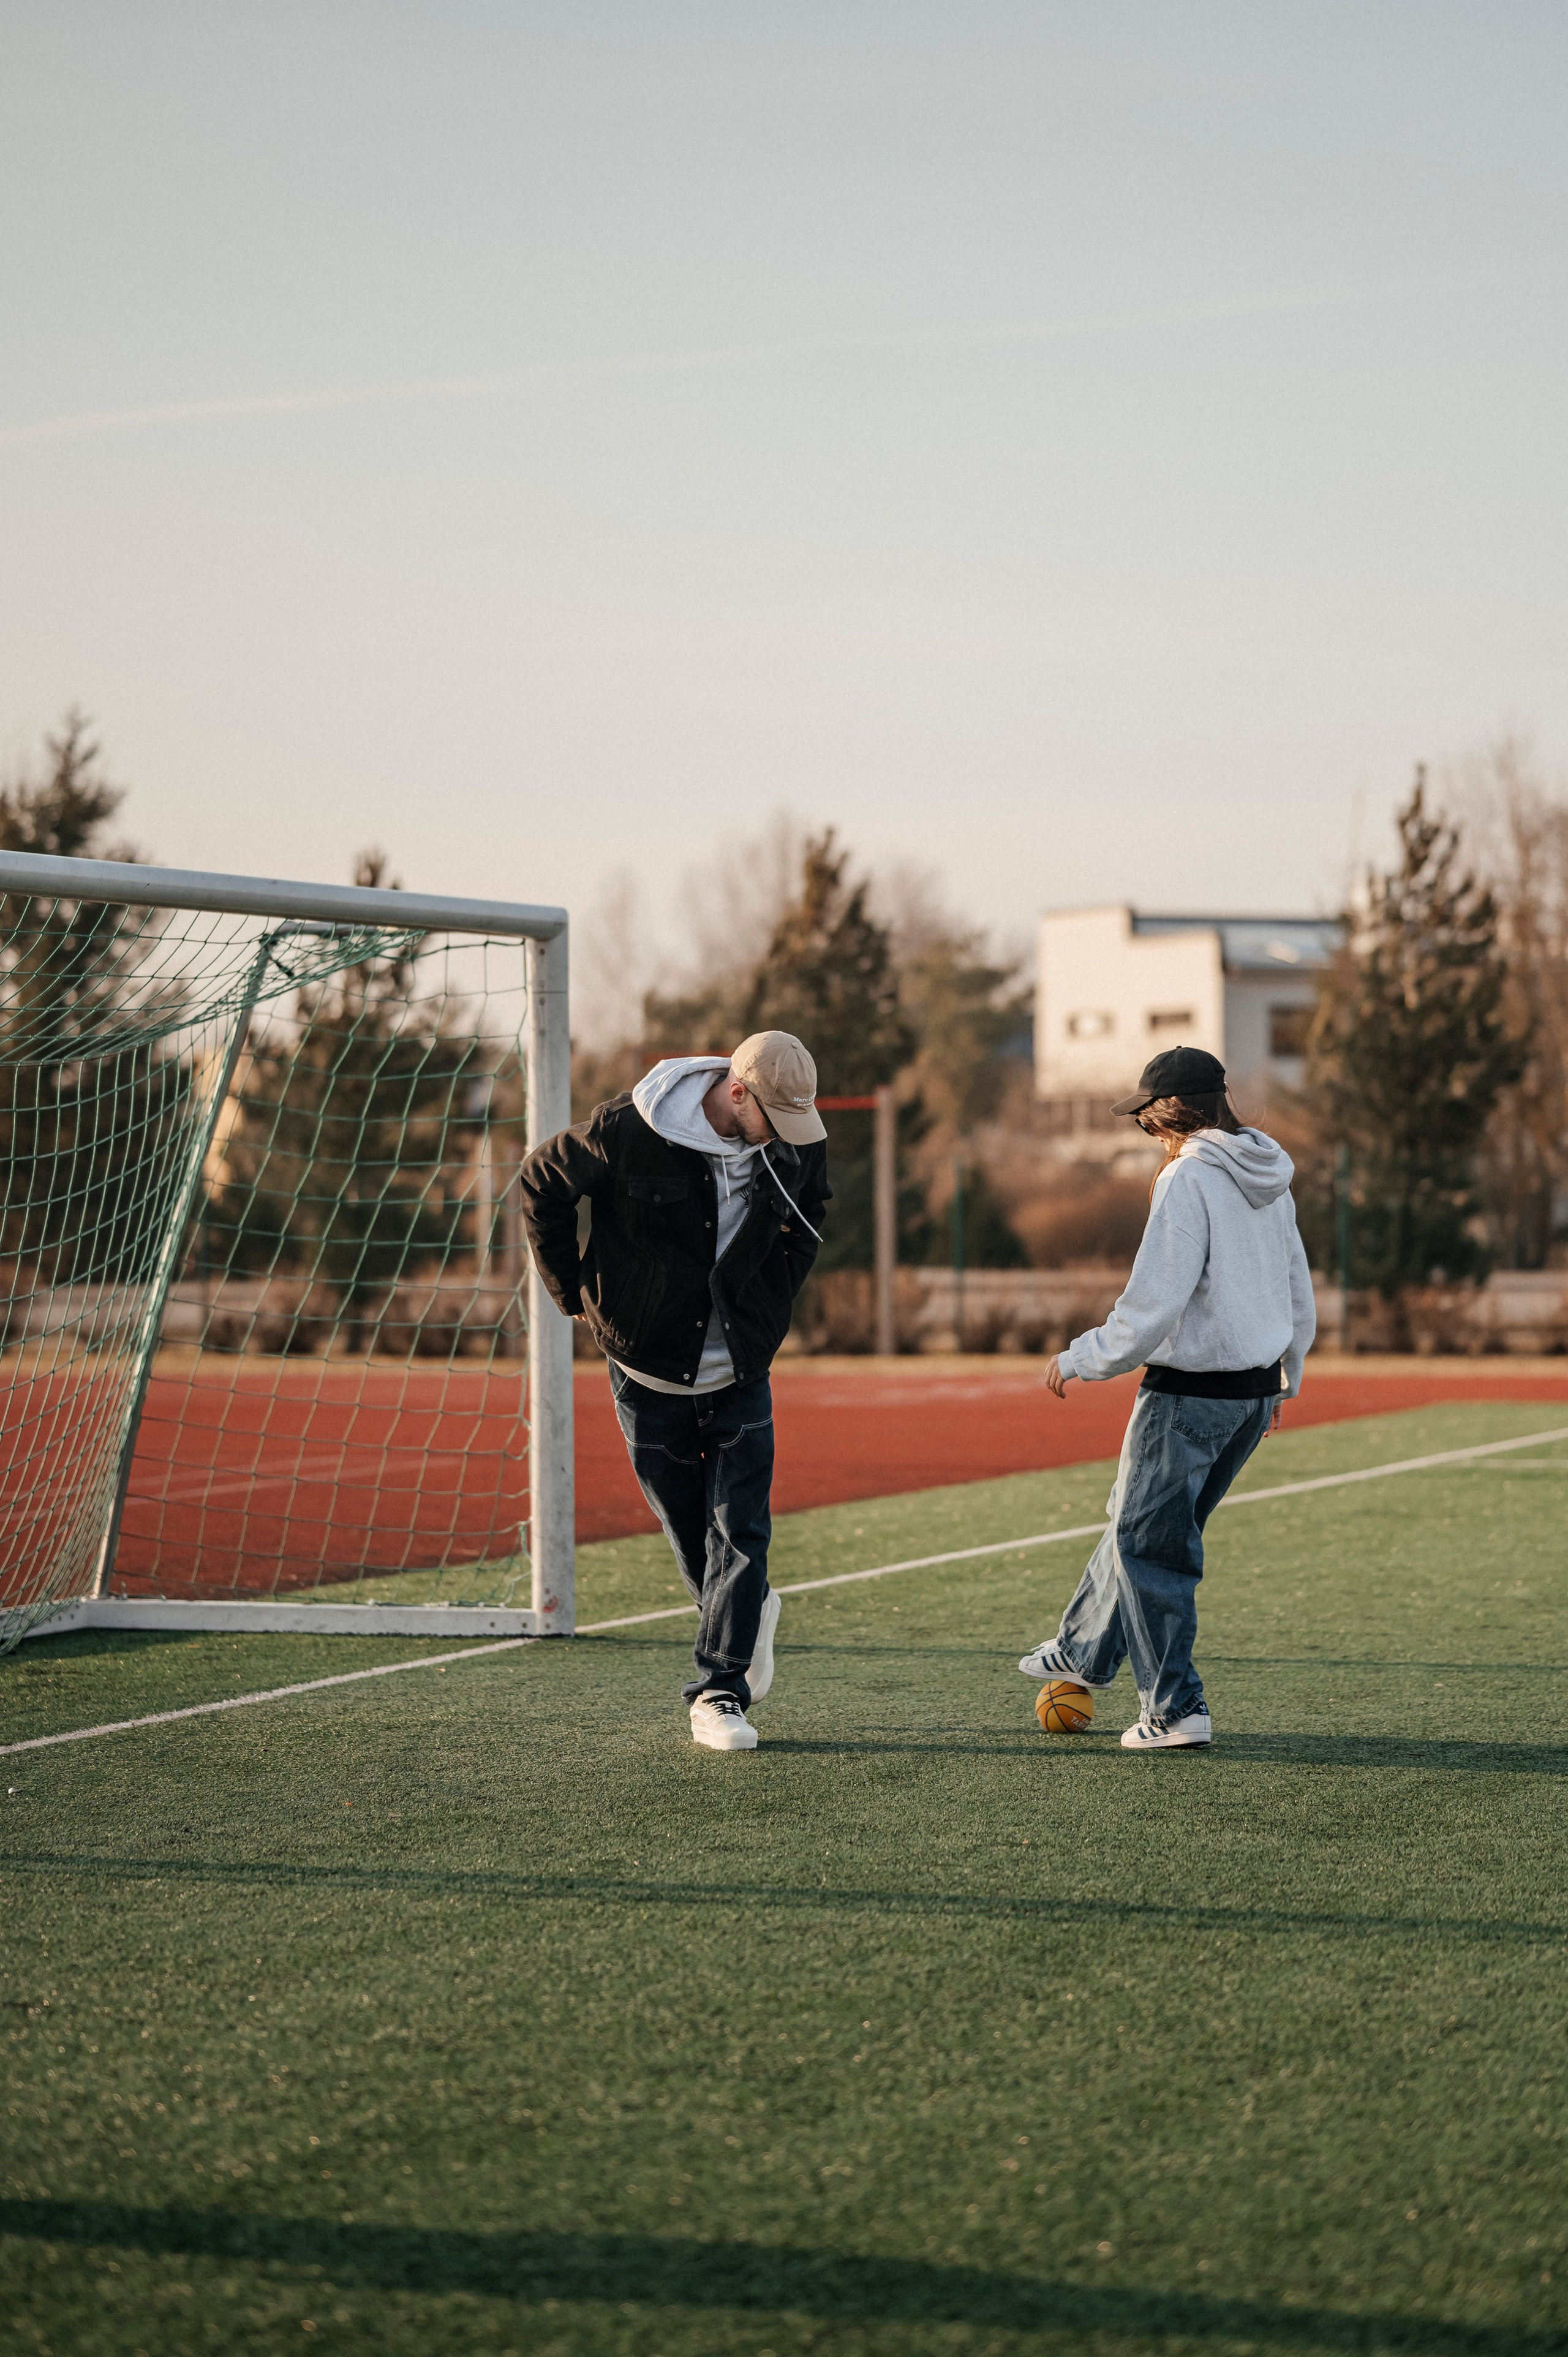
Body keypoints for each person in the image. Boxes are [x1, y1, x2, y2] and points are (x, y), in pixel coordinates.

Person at [518, 1031, 831, 1752]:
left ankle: (719, 1690)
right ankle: (746, 1611)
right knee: (688, 1524)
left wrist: (771, 1301)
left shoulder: (793, 1135)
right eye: (771, 1119)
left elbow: (809, 1215)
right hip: (646, 1365)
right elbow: (541, 1183)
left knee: (741, 1527)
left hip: (742, 1366)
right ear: (737, 1091)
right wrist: (573, 1293)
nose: (785, 1137)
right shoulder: (629, 1129)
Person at [1018, 1046, 1316, 1749]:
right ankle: (1084, 1649)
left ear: (1168, 1114)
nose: (1149, 1134)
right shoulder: (1270, 1174)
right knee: (1138, 1524)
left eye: (1148, 1120)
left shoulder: (1188, 1178)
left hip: (1186, 1395)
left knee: (1152, 1550)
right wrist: (1285, 1377)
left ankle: (1176, 1707)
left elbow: (1154, 1302)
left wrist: (1083, 1355)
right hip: (1247, 1394)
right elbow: (1296, 1288)